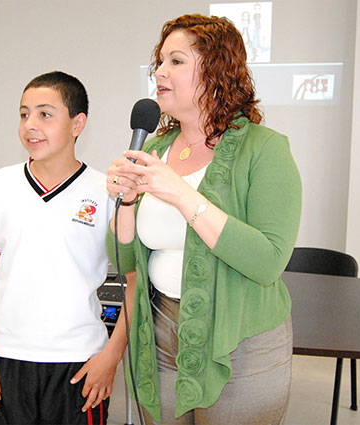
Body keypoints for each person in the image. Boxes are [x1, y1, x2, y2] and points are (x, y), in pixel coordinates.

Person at [106, 14, 302, 425]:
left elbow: (268, 261)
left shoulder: (265, 150)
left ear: (216, 70)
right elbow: (124, 262)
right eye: (159, 63)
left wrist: (180, 194)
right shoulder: (155, 148)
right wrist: (124, 203)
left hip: (241, 342)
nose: (160, 72)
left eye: (176, 61)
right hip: (160, 334)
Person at [0, 71, 133, 425]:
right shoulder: (0, 184)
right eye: (24, 114)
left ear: (77, 123)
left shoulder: (106, 193)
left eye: (45, 114)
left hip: (79, 364)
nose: (30, 125)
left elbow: (135, 283)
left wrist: (111, 357)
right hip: (5, 359)